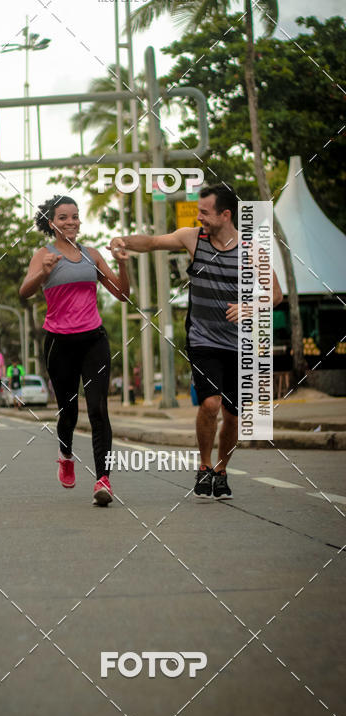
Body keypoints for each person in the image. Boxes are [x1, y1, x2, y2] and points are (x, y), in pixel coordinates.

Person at [110, 184, 282, 500]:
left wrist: (250, 306)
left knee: (233, 415)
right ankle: (204, 465)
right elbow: (152, 242)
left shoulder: (251, 250)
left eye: (205, 212)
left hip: (239, 345)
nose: (199, 217)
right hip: (203, 339)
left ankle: (221, 470)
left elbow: (275, 294)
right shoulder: (193, 238)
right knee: (210, 403)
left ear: (225, 214)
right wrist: (123, 241)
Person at [20, 194, 129, 506]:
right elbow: (25, 292)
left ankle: (103, 479)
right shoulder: (43, 255)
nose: (71, 222)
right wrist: (43, 272)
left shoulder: (92, 255)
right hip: (60, 343)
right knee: (69, 411)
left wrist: (122, 264)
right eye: (63, 217)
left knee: (98, 409)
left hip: (94, 340)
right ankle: (65, 454)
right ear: (52, 223)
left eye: (75, 216)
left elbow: (122, 294)